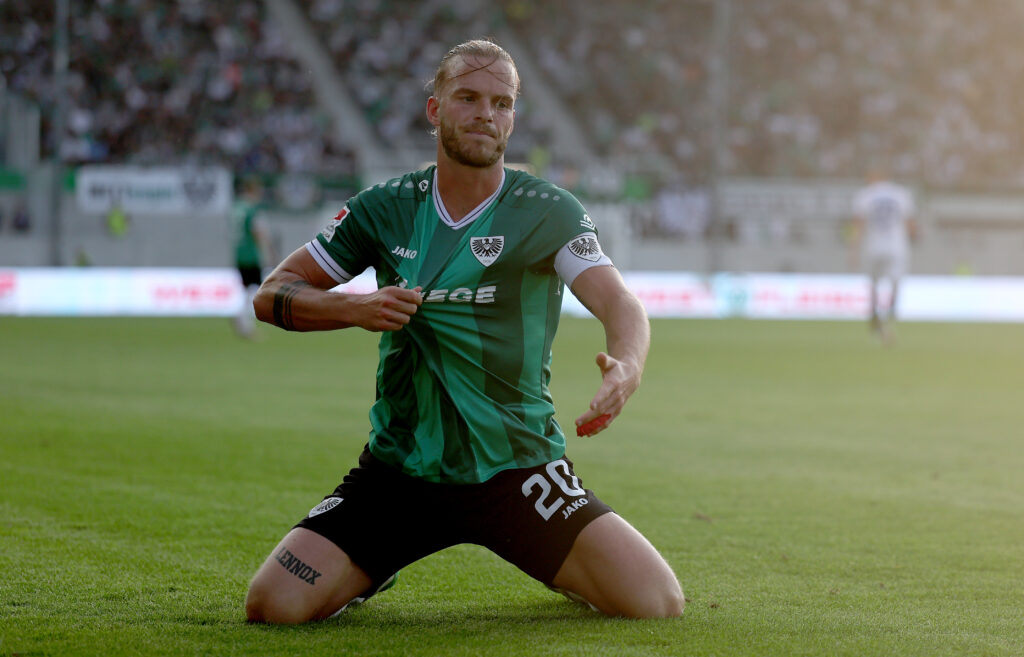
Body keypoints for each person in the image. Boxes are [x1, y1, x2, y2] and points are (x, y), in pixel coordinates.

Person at [244, 39, 684, 624]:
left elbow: (618, 300)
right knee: (274, 605)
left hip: (519, 468)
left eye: (502, 103)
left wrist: (627, 362)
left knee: (655, 603)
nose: (486, 113)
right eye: (469, 98)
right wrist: (355, 308)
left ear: (513, 117)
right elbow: (272, 293)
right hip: (401, 471)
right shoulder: (384, 208)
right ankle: (378, 563)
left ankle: (564, 563)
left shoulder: (547, 210)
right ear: (435, 110)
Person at [850, 171, 916, 342]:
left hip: (873, 245)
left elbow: (858, 226)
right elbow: (910, 224)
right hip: (896, 245)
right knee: (896, 281)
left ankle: (874, 314)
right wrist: (913, 237)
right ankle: (891, 312)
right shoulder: (901, 193)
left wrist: (853, 250)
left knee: (873, 282)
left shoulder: (865, 195)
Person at [232, 178, 270, 338]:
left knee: (248, 288)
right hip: (250, 254)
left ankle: (242, 318)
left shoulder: (236, 208)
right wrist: (268, 252)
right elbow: (257, 232)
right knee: (254, 289)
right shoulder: (251, 210)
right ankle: (243, 320)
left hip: (239, 253)